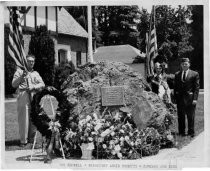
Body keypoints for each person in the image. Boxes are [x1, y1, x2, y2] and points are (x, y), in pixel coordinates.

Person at [12, 54, 45, 147]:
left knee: (33, 117)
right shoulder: (19, 72)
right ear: (25, 62)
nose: (31, 63)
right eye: (29, 61)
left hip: (34, 96)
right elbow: (14, 84)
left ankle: (32, 139)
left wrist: (34, 87)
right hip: (23, 95)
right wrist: (22, 76)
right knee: (24, 118)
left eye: (32, 61)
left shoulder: (36, 73)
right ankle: (23, 140)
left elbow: (42, 84)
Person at [174, 58, 200, 137]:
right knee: (180, 116)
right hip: (180, 99)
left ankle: (191, 133)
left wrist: (195, 99)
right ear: (181, 65)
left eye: (186, 64)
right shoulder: (177, 74)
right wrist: (175, 98)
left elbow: (196, 88)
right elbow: (175, 87)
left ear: (189, 64)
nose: (184, 65)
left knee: (190, 116)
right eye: (183, 64)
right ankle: (181, 132)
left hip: (190, 99)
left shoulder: (194, 74)